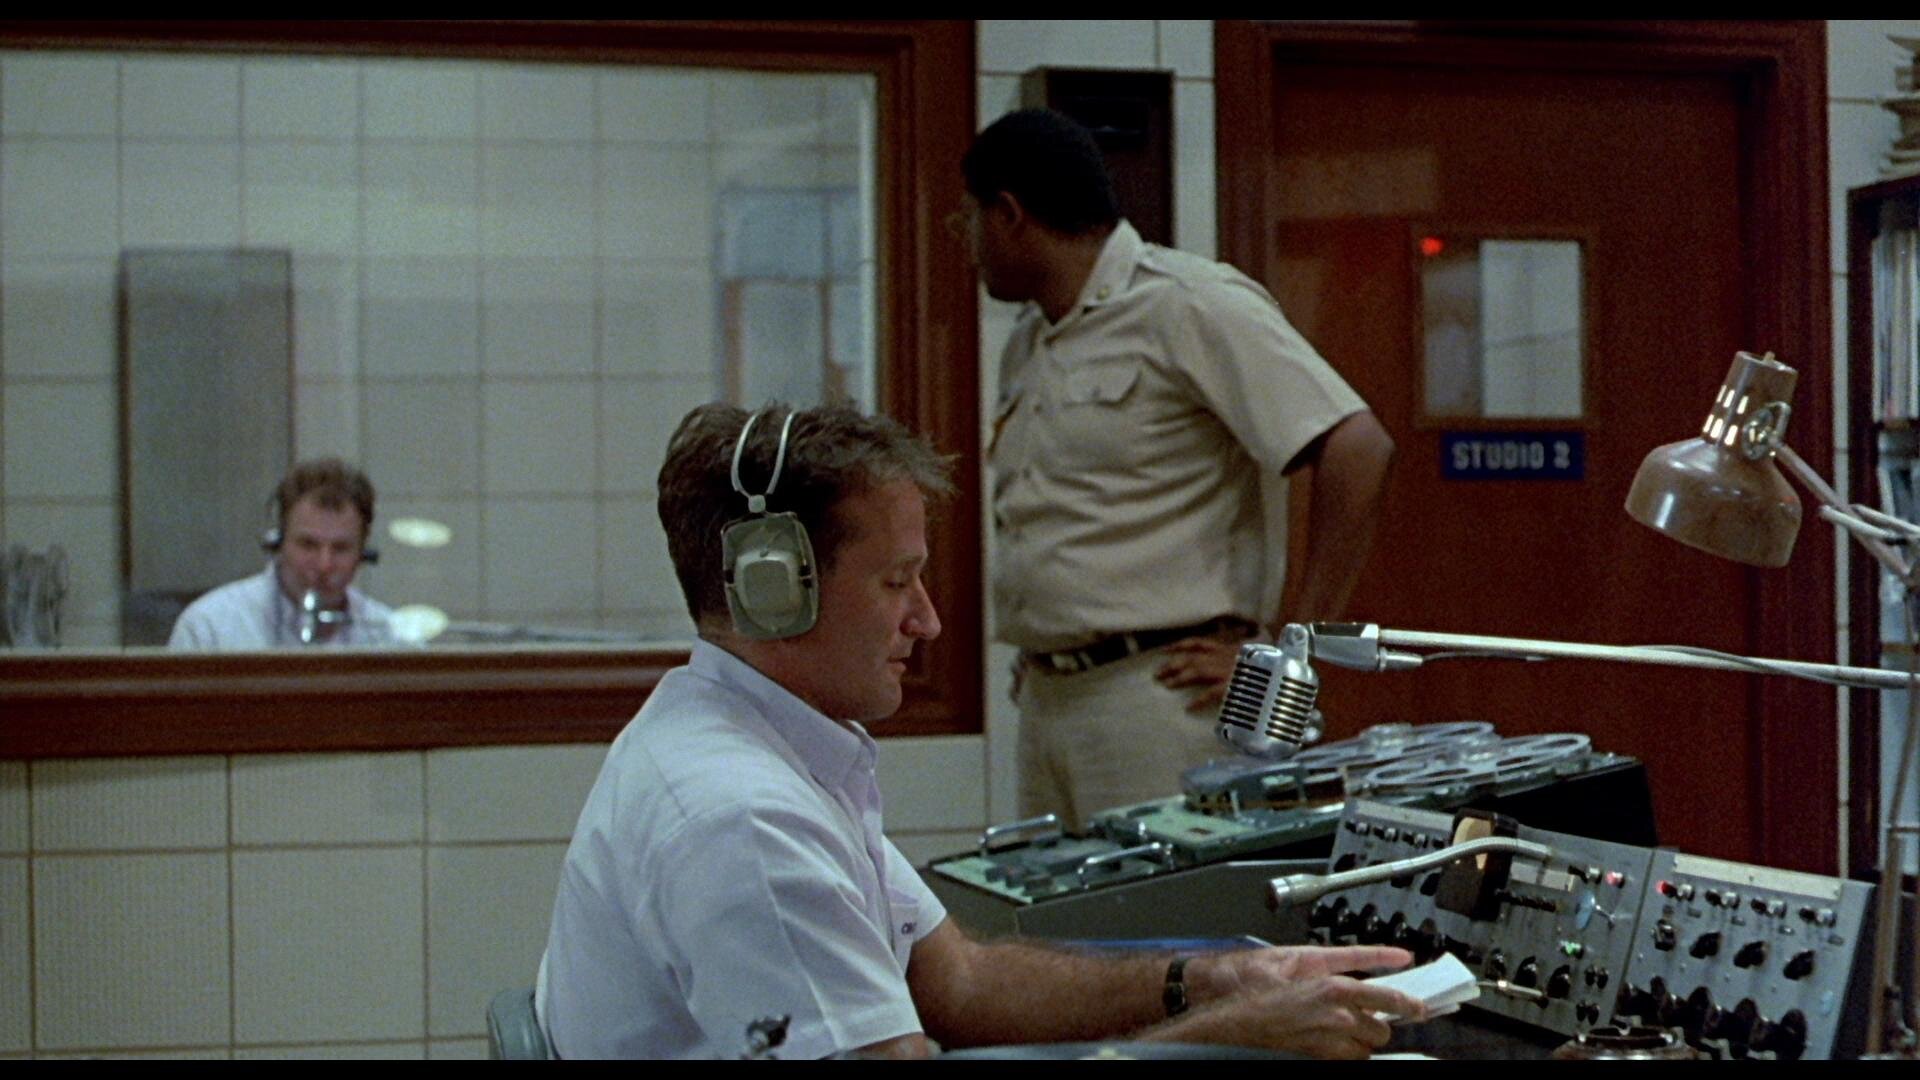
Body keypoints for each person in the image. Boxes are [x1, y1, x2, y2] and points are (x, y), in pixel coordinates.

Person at [534, 402, 1423, 1060]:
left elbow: (959, 983)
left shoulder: (761, 746)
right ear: (775, 589)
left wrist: (1217, 981)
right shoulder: (744, 820)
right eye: (897, 581)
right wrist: (1232, 1038)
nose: (926, 620)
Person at [964, 109, 1397, 827]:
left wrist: (1293, 652)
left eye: (971, 220)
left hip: (1163, 695)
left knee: (1168, 901)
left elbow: (1357, 445)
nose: (970, 245)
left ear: (1009, 215)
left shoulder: (1187, 303)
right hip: (1047, 694)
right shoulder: (1031, 341)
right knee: (1055, 902)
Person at [167, 457, 395, 649]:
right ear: (277, 543)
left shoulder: (388, 636)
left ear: (363, 552)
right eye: (308, 545)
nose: (324, 565)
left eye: (341, 548)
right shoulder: (210, 627)